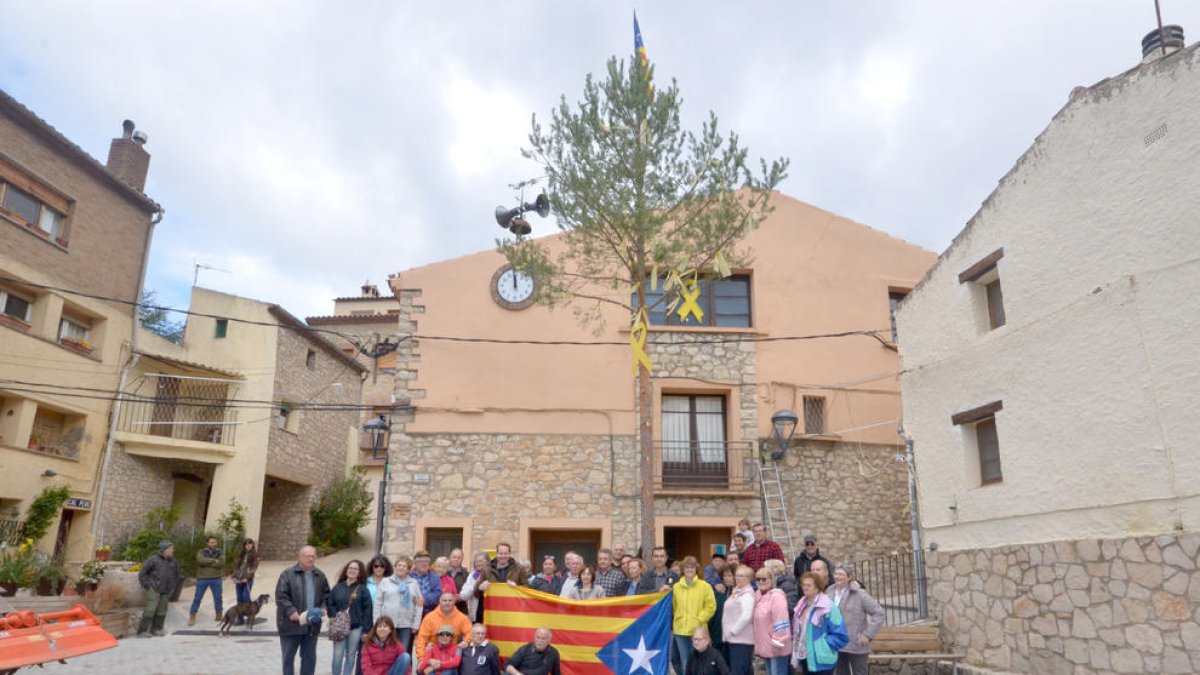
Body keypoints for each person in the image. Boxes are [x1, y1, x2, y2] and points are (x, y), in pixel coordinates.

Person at [277, 545, 331, 675]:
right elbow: (281, 596)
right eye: (308, 556)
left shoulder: (320, 575)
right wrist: (290, 610)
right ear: (300, 557)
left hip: (312, 624)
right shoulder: (287, 574)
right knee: (288, 658)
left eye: (313, 556)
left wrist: (324, 608)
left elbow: (326, 595)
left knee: (309, 659)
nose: (311, 558)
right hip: (291, 624)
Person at [826, 565, 884, 675]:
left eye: (841, 574)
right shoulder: (829, 592)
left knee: (860, 672)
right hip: (836, 643)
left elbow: (879, 613)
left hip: (856, 643)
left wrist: (868, 634)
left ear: (849, 577)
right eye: (836, 574)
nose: (837, 576)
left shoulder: (859, 593)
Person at [791, 573, 848, 674]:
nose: (805, 587)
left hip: (822, 659)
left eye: (809, 585)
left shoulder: (828, 606)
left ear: (817, 588)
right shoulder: (801, 605)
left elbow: (841, 635)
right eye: (803, 585)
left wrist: (825, 645)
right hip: (804, 656)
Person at [328, 560, 374, 675]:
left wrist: (366, 629)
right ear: (346, 570)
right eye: (350, 568)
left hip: (356, 627)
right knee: (337, 655)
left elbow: (368, 610)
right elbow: (330, 603)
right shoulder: (338, 587)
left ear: (359, 572)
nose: (352, 570)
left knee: (351, 655)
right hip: (340, 626)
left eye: (355, 569)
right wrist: (334, 616)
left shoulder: (363, 589)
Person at [672, 556, 716, 675]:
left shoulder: (705, 586)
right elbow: (673, 607)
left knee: (699, 661)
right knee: (684, 661)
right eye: (687, 567)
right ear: (682, 569)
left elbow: (711, 606)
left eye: (692, 567)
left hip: (698, 630)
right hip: (680, 630)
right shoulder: (676, 587)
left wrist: (700, 619)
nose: (689, 569)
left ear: (696, 569)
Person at [136, 539, 179, 637]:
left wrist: (173, 586)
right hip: (154, 588)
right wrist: (148, 585)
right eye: (171, 548)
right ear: (165, 549)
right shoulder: (153, 559)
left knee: (162, 610)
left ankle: (157, 629)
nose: (173, 550)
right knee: (150, 609)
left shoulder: (173, 561)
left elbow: (176, 574)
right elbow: (142, 573)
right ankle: (142, 631)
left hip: (167, 589)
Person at [751, 567, 790, 675]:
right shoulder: (757, 596)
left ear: (772, 580)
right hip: (766, 648)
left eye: (764, 579)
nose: (760, 581)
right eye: (758, 579)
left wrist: (778, 643)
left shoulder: (777, 597)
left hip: (776, 648)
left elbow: (781, 621)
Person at [414, 593, 471, 661]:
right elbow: (421, 639)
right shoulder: (429, 617)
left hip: (452, 655)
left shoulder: (462, 618)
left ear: (454, 602)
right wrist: (421, 659)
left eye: (450, 600)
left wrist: (467, 641)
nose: (447, 603)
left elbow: (471, 632)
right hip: (433, 654)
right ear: (439, 602)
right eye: (444, 600)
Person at [721, 565, 755, 675]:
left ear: (749, 578)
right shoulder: (737, 592)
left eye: (742, 576)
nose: (738, 578)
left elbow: (746, 616)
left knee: (739, 671)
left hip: (741, 641)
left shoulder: (747, 595)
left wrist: (733, 631)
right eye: (737, 576)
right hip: (732, 640)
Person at [190, 535, 224, 625]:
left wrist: (207, 562)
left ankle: (219, 614)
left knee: (218, 598)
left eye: (215, 542)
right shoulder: (201, 551)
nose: (214, 544)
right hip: (202, 579)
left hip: (216, 578)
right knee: (197, 598)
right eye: (212, 542)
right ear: (207, 543)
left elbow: (221, 563)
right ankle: (192, 616)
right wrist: (214, 561)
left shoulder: (220, 552)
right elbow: (200, 560)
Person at [458, 552, 492, 623]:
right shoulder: (472, 575)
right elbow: (464, 595)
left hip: (489, 609)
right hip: (476, 610)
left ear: (488, 562)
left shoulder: (492, 573)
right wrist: (477, 587)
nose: (478, 563)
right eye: (476, 561)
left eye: (481, 561)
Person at [232, 538, 260, 624]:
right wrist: (234, 576)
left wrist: (247, 578)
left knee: (245, 598)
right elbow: (236, 566)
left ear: (252, 544)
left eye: (250, 544)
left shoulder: (256, 555)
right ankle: (240, 619)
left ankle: (250, 618)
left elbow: (254, 568)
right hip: (239, 580)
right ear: (244, 545)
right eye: (246, 544)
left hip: (247, 581)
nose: (248, 546)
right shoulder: (241, 554)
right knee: (239, 599)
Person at [412, 551, 443, 616]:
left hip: (429, 613)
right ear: (415, 563)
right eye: (421, 561)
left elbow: (437, 595)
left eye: (426, 561)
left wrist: (423, 600)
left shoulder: (435, 578)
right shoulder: (409, 577)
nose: (424, 564)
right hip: (412, 613)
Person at [448, 549, 470, 614]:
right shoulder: (443, 572)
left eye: (459, 558)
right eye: (454, 557)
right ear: (450, 557)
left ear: (462, 559)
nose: (456, 559)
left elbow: (469, 590)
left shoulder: (466, 575)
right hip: (444, 608)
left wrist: (461, 596)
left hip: (460, 609)